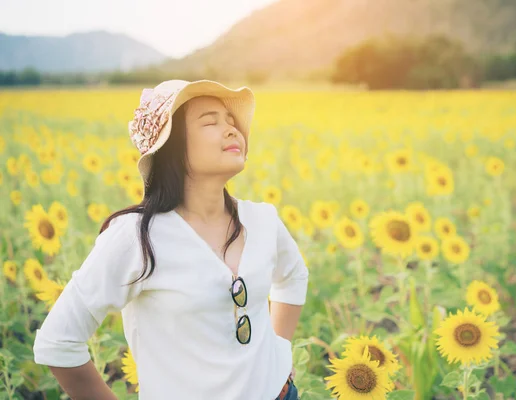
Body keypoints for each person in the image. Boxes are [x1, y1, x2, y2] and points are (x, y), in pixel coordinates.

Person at [32, 79, 309, 400]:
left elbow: (293, 276)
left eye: (232, 122)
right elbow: (58, 343)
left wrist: (279, 349)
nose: (233, 130)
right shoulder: (137, 237)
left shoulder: (262, 220)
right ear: (172, 146)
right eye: (211, 121)